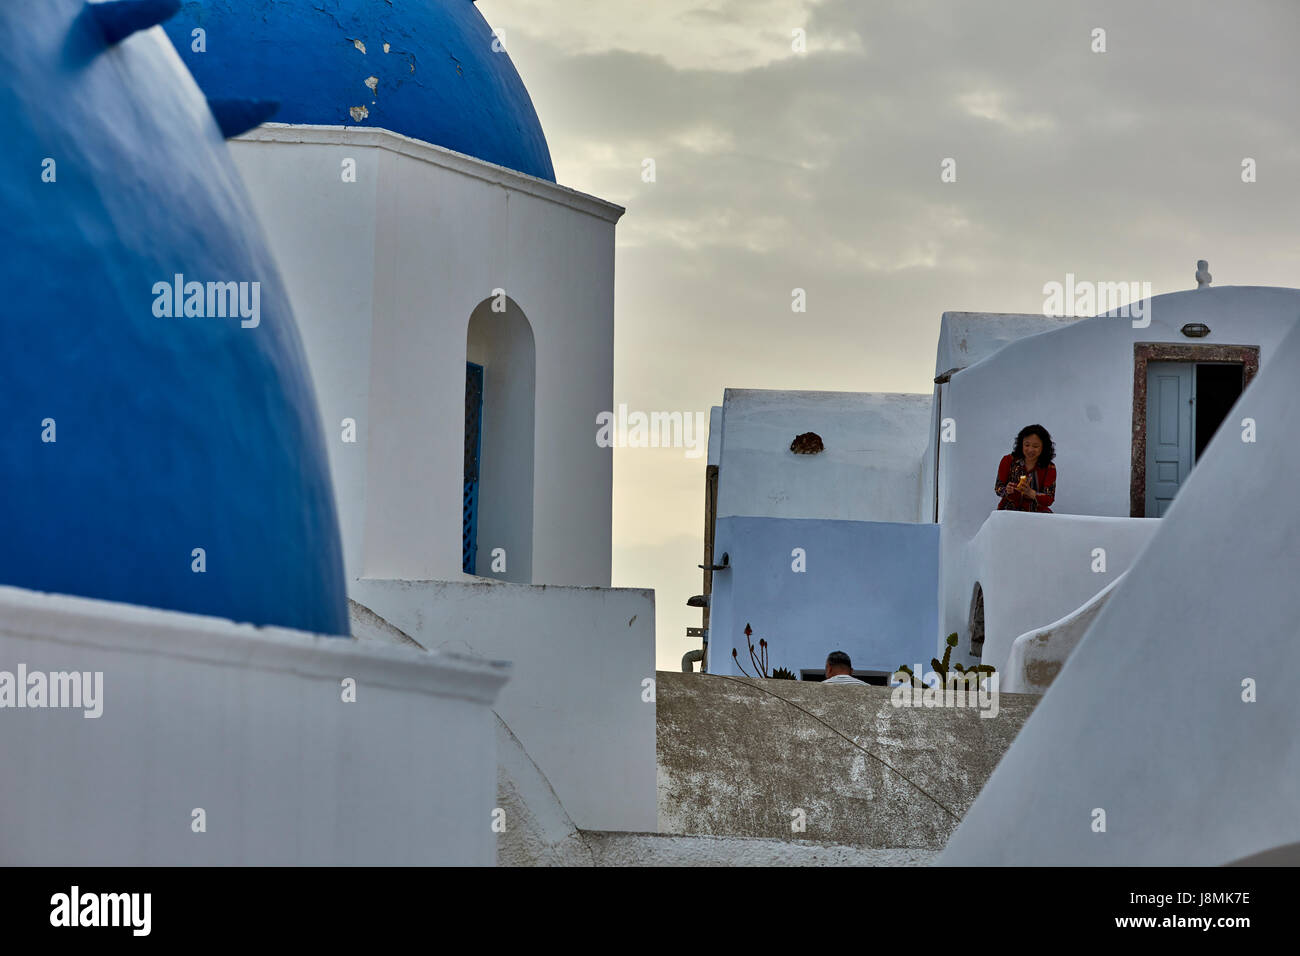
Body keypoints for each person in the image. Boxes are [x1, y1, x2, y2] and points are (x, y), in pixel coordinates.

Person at [995, 424, 1057, 513]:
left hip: (1036, 512)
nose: (1030, 450)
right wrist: (1007, 490)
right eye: (1027, 445)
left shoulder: (1049, 467)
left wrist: (1031, 493)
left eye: (1035, 446)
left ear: (1044, 448)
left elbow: (1049, 499)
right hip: (1009, 510)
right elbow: (998, 488)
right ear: (1021, 444)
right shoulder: (1008, 460)